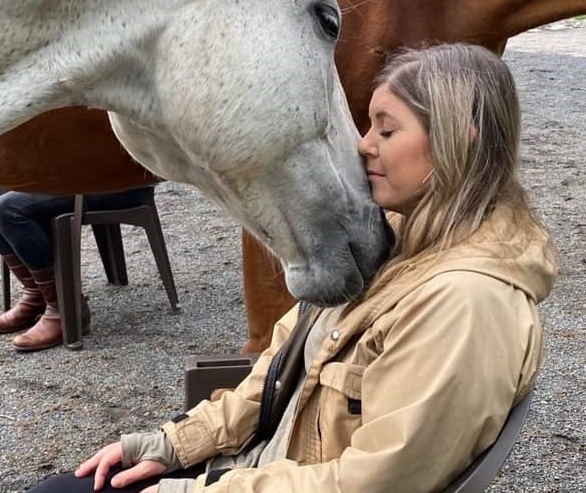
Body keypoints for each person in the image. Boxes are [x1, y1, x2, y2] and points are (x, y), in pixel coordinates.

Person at [29, 44, 557, 493]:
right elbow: (279, 368)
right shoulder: (396, 245)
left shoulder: (464, 303)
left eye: (386, 130)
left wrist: (196, 488)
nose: (363, 145)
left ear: (459, 138)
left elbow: (376, 481)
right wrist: (174, 445)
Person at [0, 185, 156, 352]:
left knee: (8, 208)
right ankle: (36, 295)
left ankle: (63, 308)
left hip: (118, 183)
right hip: (73, 178)